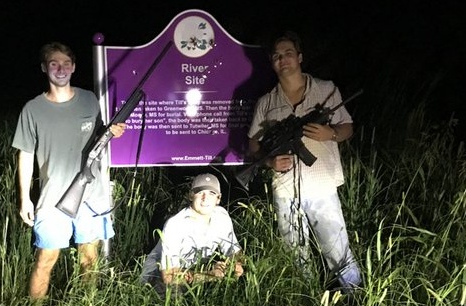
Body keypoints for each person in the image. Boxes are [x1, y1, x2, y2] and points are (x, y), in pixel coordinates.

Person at [247, 31, 362, 292]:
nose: (283, 59)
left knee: (337, 248)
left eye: (288, 53)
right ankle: (306, 294)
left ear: (299, 58)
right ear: (272, 62)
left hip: (321, 185)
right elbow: (253, 145)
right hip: (285, 189)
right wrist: (269, 163)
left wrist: (330, 134)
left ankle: (355, 293)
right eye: (277, 56)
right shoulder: (266, 102)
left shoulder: (326, 89)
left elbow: (347, 127)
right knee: (294, 252)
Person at [12, 42, 127, 299]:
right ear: (44, 68)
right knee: (45, 260)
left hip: (91, 196)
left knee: (90, 258)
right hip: (52, 199)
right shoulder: (32, 109)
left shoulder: (89, 100)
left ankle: (87, 302)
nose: (60, 68)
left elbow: (99, 137)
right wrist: (24, 198)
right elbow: (26, 155)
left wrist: (112, 132)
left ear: (74, 67)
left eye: (66, 63)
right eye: (54, 63)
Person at [140, 173, 243, 296]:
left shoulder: (222, 216)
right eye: (200, 192)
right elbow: (169, 276)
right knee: (174, 291)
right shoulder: (175, 224)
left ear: (218, 198)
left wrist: (236, 266)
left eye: (211, 193)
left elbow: (235, 252)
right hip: (159, 273)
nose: (205, 198)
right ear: (191, 195)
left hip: (197, 269)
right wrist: (211, 275)